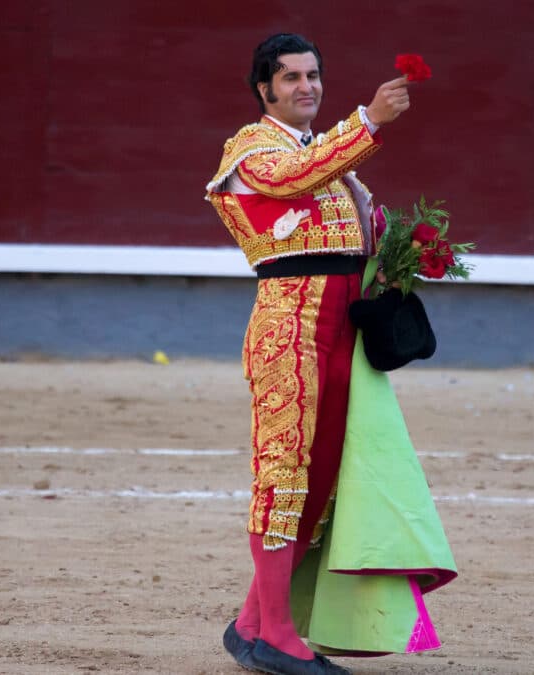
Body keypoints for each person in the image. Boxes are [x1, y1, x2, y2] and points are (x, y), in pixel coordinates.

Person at [204, 33, 412, 675]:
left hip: (339, 328)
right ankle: (277, 638)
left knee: (319, 482)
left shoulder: (335, 167)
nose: (307, 86)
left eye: (313, 74)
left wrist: (406, 252)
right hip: (288, 327)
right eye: (291, 77)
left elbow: (356, 231)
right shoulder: (252, 147)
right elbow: (290, 178)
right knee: (285, 472)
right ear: (265, 89)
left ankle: (251, 626)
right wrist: (369, 120)